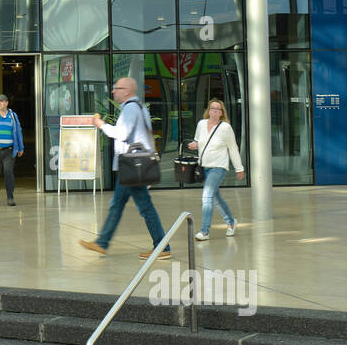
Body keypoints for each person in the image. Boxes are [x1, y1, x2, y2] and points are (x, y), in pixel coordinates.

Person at [79, 78, 168, 259]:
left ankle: (162, 247)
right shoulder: (140, 108)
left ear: (127, 91)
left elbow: (122, 134)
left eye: (116, 88)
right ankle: (102, 243)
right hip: (135, 166)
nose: (113, 92)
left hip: (131, 166)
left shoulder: (130, 109)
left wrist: (100, 124)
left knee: (142, 207)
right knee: (120, 205)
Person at [188, 99, 243, 241]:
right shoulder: (201, 124)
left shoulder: (225, 128)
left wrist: (239, 168)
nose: (215, 111)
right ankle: (231, 222)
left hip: (218, 167)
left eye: (218, 109)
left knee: (207, 196)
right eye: (213, 108)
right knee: (215, 197)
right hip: (204, 166)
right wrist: (195, 145)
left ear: (221, 113)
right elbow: (198, 141)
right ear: (208, 110)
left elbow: (233, 148)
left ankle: (204, 232)